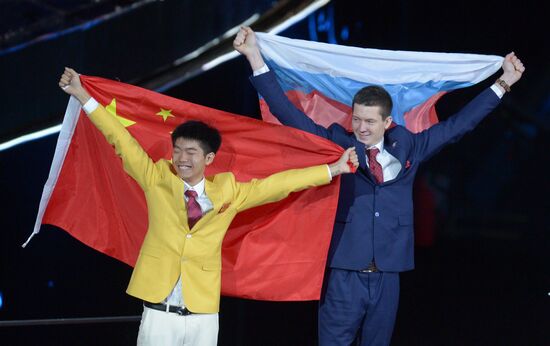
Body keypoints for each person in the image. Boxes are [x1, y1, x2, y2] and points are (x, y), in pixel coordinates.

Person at [234, 27, 525, 345]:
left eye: (370, 122)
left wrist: (503, 83)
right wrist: (254, 57)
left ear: (388, 123)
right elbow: (288, 114)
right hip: (343, 272)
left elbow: (460, 125)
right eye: (357, 119)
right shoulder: (337, 142)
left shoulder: (411, 146)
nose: (361, 128)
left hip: (388, 275)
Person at [58, 67, 359, 346]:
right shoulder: (157, 178)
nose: (182, 158)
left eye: (191, 152)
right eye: (177, 151)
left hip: (203, 314)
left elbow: (277, 185)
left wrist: (332, 170)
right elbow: (121, 141)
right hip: (158, 313)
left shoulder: (228, 190)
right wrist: (83, 95)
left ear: (209, 159)